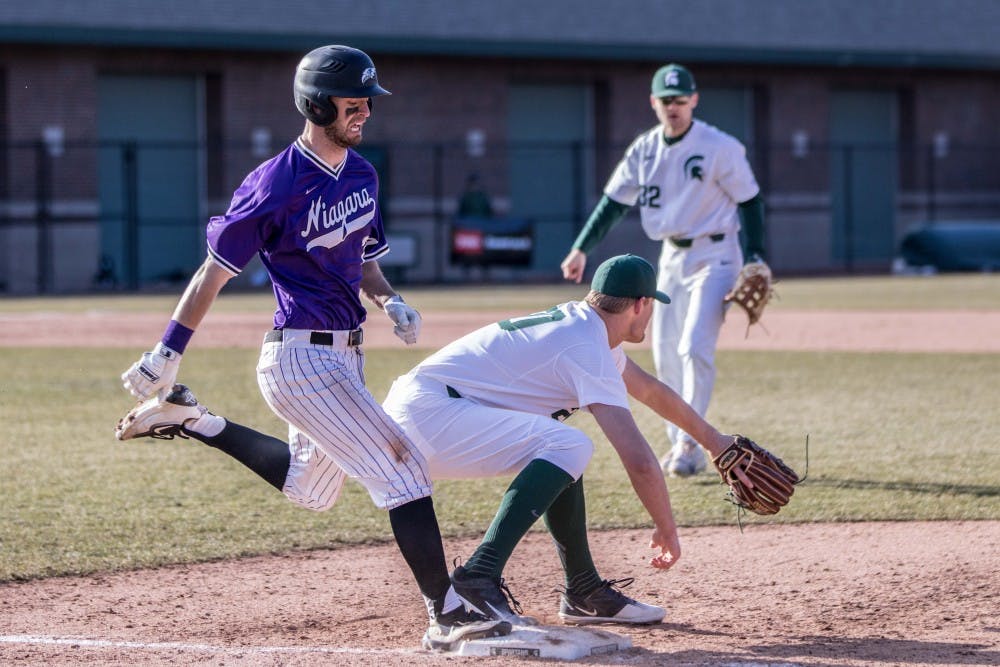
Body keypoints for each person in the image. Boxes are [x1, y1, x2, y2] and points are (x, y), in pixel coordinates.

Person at [115, 44, 509, 651]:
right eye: (356, 103)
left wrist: (390, 300)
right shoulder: (274, 182)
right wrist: (167, 350)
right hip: (300, 360)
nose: (367, 113)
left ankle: (191, 419)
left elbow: (364, 264)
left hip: (344, 357)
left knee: (311, 489)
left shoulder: (362, 174)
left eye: (369, 103)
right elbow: (211, 274)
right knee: (403, 469)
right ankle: (446, 611)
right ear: (317, 103)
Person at [121, 254, 746, 628]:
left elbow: (653, 393)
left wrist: (717, 443)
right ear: (637, 306)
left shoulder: (590, 333)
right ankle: (477, 579)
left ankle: (581, 590)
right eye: (650, 307)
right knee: (566, 447)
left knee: (312, 485)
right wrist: (668, 529)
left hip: (426, 408)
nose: (650, 315)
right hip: (431, 415)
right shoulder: (587, 344)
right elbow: (638, 455)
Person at [560, 64, 768, 478]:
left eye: (680, 100)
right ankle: (681, 444)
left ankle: (690, 445)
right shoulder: (645, 150)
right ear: (654, 103)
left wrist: (756, 255)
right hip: (671, 255)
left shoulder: (719, 146)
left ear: (694, 100)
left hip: (717, 254)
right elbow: (614, 202)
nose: (673, 107)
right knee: (666, 352)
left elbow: (750, 200)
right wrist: (582, 246)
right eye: (666, 100)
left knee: (694, 346)